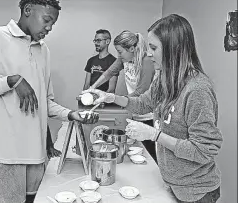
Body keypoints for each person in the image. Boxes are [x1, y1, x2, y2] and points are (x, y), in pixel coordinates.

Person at [0, 0, 98, 203]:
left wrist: (72, 115)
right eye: (46, 20)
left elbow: (45, 102)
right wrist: (11, 81)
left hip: (35, 151)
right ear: (28, 10)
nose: (49, 27)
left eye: (53, 23)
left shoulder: (43, 50)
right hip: (7, 152)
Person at [83, 14, 223, 203]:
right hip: (173, 184)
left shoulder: (197, 89)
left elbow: (203, 151)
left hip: (196, 193)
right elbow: (142, 104)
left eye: (154, 48)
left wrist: (153, 134)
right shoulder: (164, 79)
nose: (148, 53)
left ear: (174, 49)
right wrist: (111, 97)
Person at [88, 30, 157, 162]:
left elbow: (140, 93)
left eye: (120, 52)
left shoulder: (146, 61)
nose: (118, 55)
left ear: (131, 49)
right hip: (133, 111)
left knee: (149, 154)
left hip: (149, 115)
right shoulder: (124, 58)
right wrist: (92, 87)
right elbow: (109, 73)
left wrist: (114, 100)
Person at [83, 29, 118, 93]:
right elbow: (86, 85)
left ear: (107, 41)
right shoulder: (91, 60)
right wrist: (83, 97)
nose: (96, 43)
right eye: (95, 40)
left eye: (99, 40)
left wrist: (101, 100)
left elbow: (111, 89)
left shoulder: (114, 62)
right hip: (90, 99)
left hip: (104, 100)